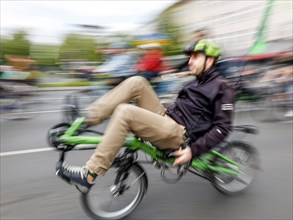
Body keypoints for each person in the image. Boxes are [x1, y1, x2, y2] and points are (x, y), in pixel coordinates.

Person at [56, 39, 235, 193]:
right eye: (190, 57)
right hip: (168, 119)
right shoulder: (195, 83)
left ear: (210, 60)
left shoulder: (222, 87)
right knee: (137, 81)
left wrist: (192, 151)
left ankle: (89, 174)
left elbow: (223, 128)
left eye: (195, 57)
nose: (189, 61)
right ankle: (86, 118)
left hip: (179, 135)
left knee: (125, 112)